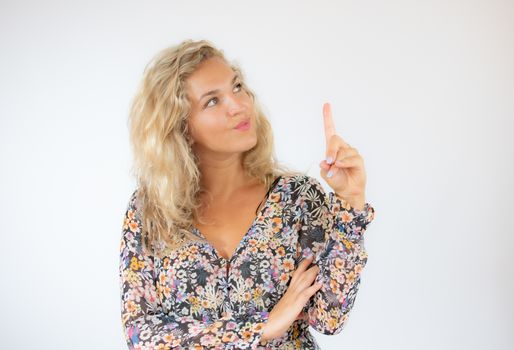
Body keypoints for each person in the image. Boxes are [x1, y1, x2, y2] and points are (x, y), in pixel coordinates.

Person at [119, 39, 376, 349]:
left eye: (237, 87)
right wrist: (261, 329)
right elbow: (141, 333)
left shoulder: (296, 198)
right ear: (182, 126)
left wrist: (351, 203)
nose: (238, 105)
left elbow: (329, 318)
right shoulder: (151, 211)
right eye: (212, 101)